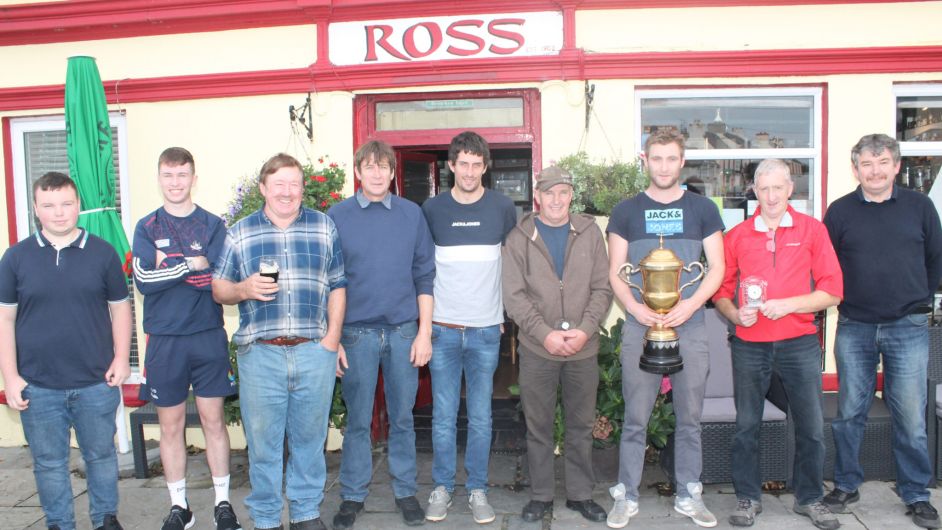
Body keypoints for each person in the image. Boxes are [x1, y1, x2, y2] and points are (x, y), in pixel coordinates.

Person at [212, 153, 347, 530]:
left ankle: (305, 513)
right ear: (263, 189)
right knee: (263, 445)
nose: (287, 192)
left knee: (309, 440)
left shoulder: (324, 227)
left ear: (303, 189)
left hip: (312, 351)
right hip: (261, 355)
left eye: (294, 184)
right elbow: (219, 288)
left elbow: (338, 285)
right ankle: (268, 518)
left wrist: (331, 340)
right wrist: (242, 288)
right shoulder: (240, 232)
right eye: (279, 185)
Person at [714, 159, 843, 529]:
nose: (771, 196)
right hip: (749, 344)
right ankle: (747, 498)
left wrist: (789, 305)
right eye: (763, 188)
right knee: (747, 425)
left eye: (778, 188)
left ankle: (810, 498)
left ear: (791, 189)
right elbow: (722, 293)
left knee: (811, 426)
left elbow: (833, 291)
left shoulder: (813, 231)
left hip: (800, 343)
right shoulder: (736, 235)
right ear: (754, 190)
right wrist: (735, 314)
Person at [605, 129, 725, 529]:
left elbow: (717, 268)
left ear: (682, 161)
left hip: (689, 325)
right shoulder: (626, 211)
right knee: (636, 418)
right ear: (645, 160)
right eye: (656, 158)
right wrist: (637, 309)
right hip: (642, 325)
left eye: (671, 159)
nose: (663, 166)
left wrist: (690, 305)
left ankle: (690, 494)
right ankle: (626, 495)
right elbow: (616, 272)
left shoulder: (703, 209)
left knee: (690, 417)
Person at [823, 134, 942, 529]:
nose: (875, 171)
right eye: (867, 164)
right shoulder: (839, 212)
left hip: (907, 325)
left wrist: (920, 300)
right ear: (855, 168)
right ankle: (845, 485)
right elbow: (828, 267)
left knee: (910, 416)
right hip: (854, 324)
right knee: (849, 413)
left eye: (882, 162)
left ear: (896, 166)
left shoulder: (920, 207)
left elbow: (935, 260)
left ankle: (916, 493)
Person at [0, 172, 131, 530]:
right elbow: (5, 321)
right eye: (49, 205)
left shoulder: (103, 254)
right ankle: (59, 523)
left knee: (101, 456)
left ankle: (105, 519)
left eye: (66, 204)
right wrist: (10, 377)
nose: (59, 213)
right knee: (48, 462)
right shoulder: (14, 258)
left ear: (78, 205)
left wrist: (122, 358)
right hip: (38, 386)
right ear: (36, 210)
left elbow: (121, 307)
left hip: (95, 382)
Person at [327, 140, 435, 529]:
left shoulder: (412, 214)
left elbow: (425, 274)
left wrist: (425, 332)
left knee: (403, 418)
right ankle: (353, 495)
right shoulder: (336, 216)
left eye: (383, 167)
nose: (376, 173)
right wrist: (333, 336)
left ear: (393, 173)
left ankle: (405, 492)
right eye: (369, 167)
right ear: (358, 172)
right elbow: (330, 280)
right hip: (355, 334)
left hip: (404, 331)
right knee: (357, 419)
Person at [132, 147, 241, 530]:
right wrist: (189, 263)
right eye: (168, 175)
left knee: (213, 421)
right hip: (165, 339)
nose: (175, 182)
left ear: (194, 178)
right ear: (159, 178)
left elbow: (212, 279)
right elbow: (144, 282)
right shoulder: (147, 227)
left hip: (208, 335)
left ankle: (222, 503)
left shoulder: (213, 225)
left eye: (182, 175)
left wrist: (171, 266)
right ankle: (180, 507)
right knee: (171, 425)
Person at [502, 166, 613, 523]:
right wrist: (544, 333)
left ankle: (581, 495)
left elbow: (602, 287)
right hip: (538, 348)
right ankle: (541, 495)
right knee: (539, 426)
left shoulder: (590, 232)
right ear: (538, 196)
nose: (556, 200)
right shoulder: (520, 237)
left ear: (571, 195)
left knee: (581, 425)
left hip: (584, 346)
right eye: (549, 193)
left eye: (563, 192)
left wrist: (584, 329)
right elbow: (514, 296)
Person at [421, 131, 516, 524]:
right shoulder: (432, 209)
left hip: (484, 331)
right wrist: (424, 328)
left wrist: (505, 320)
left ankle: (477, 489)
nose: (470, 171)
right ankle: (442, 488)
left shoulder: (503, 207)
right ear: (451, 166)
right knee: (443, 417)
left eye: (478, 164)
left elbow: (512, 264)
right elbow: (423, 270)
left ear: (485, 167)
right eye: (464, 164)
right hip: (443, 328)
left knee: (481, 416)